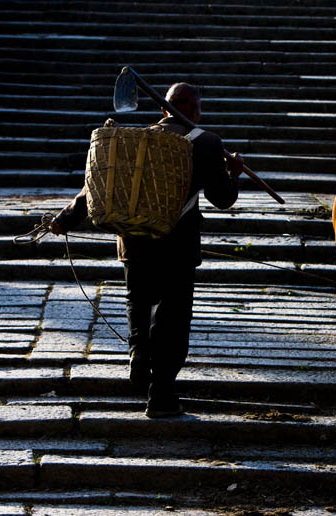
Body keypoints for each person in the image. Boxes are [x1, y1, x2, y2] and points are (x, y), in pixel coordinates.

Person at [50, 82, 243, 417]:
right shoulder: (208, 143)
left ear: (163, 110)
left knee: (137, 300)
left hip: (134, 240)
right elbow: (223, 198)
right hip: (177, 245)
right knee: (173, 315)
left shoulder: (134, 140)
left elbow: (96, 183)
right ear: (195, 111)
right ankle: (161, 394)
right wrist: (234, 173)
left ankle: (139, 354)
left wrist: (66, 219)